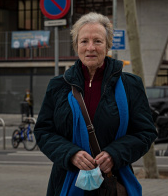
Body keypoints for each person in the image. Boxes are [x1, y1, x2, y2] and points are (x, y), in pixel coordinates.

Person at [34, 12, 157, 196]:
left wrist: (115, 154)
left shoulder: (131, 85)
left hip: (111, 183)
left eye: (97, 41)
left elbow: (145, 132)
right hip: (67, 182)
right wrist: (71, 154)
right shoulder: (58, 86)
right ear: (76, 46)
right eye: (84, 41)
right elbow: (43, 131)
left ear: (107, 45)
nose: (90, 47)